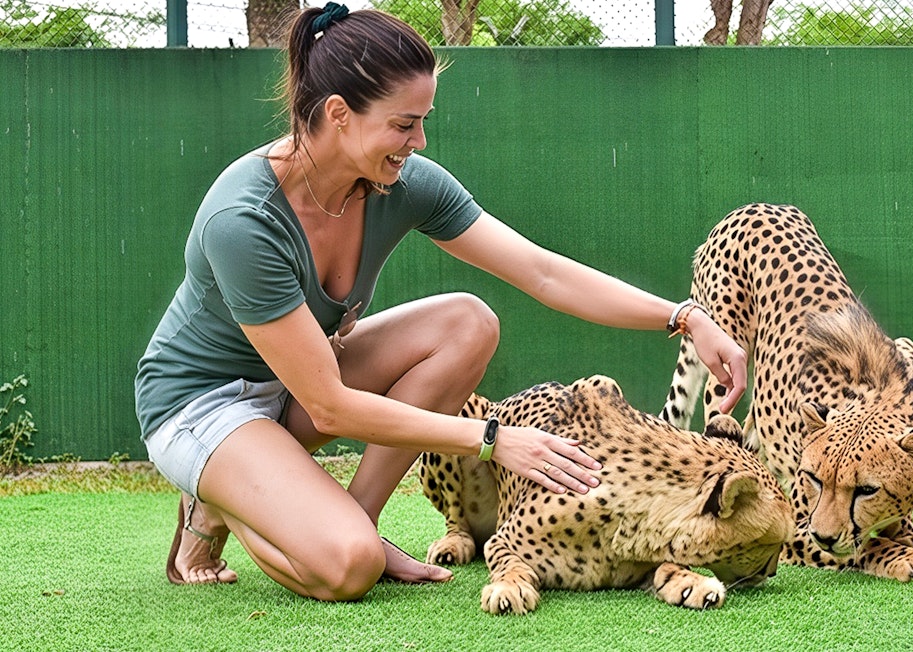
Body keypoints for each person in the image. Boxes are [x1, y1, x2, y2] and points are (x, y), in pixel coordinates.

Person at [134, 4, 748, 602]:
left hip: (298, 383)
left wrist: (686, 317)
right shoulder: (243, 220)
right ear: (339, 114)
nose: (419, 140)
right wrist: (490, 438)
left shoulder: (399, 182)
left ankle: (351, 516)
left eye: (423, 121)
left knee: (467, 323)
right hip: (203, 405)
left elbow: (541, 272)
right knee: (348, 567)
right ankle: (219, 499)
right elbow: (327, 407)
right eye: (404, 124)